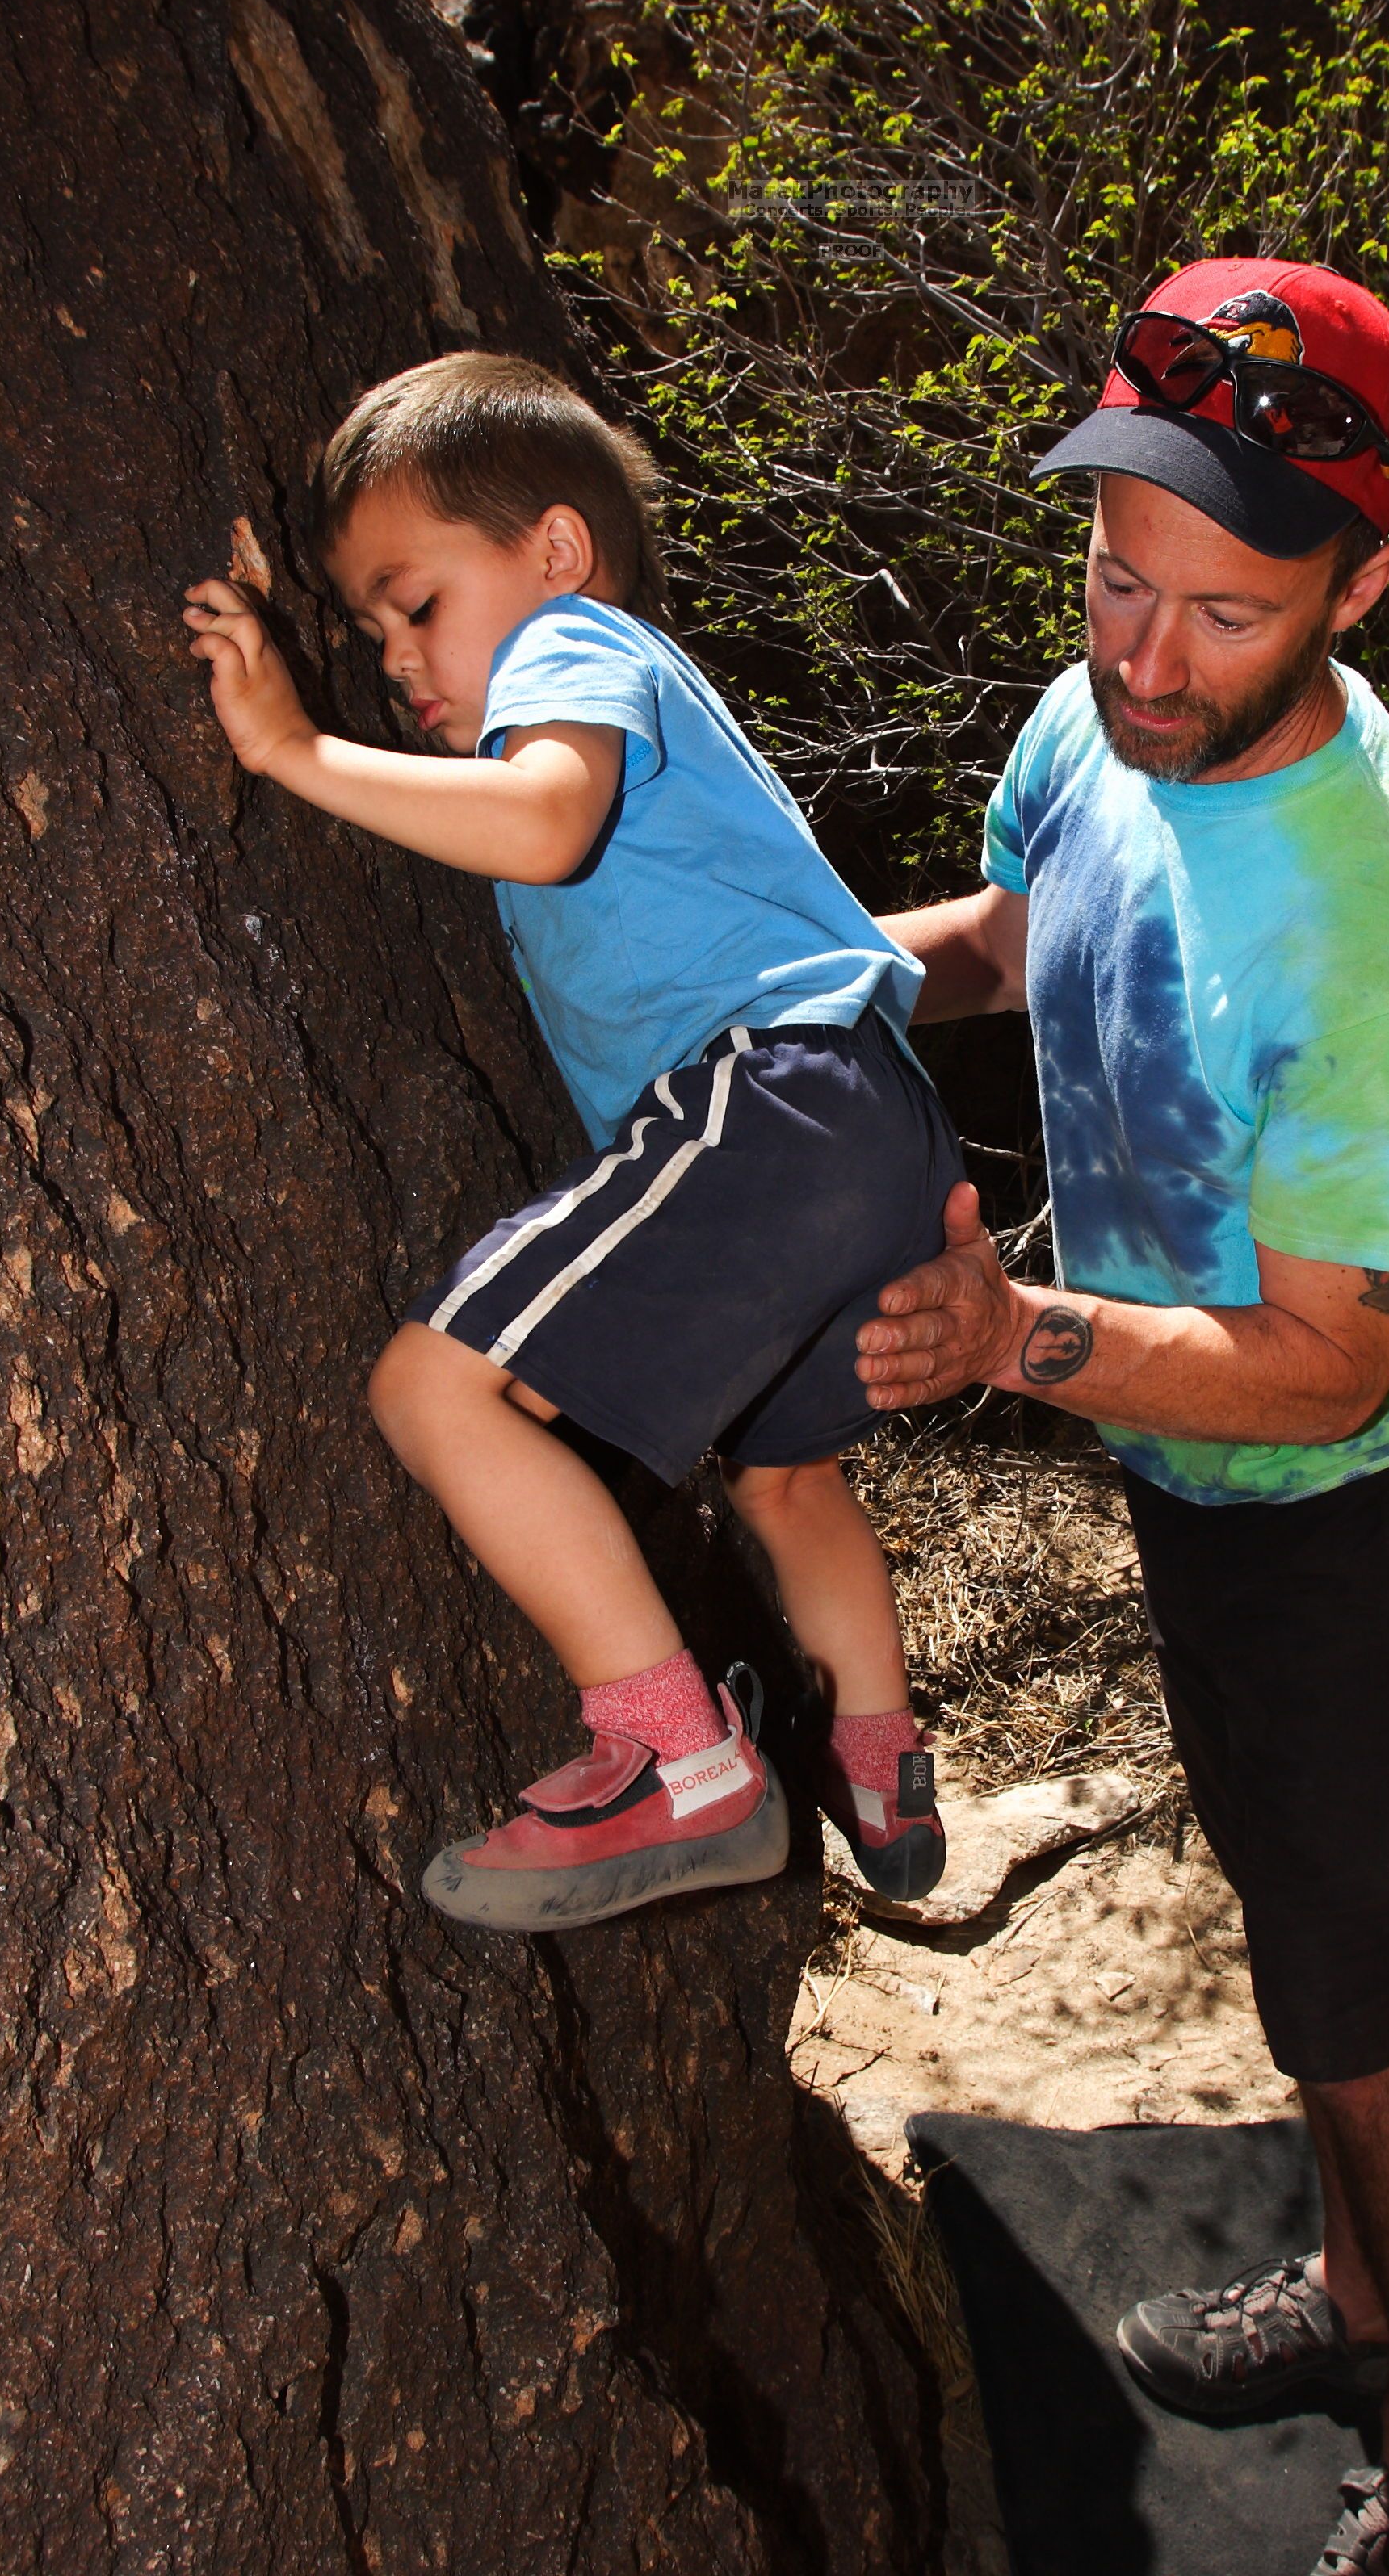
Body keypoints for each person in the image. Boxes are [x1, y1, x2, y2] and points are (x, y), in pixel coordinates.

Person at [853, 260, 1389, 2576]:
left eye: (1225, 614)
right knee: (1297, 1935)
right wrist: (847, 976)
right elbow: (1036, 921)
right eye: (1118, 579)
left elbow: (1331, 1360)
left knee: (1368, 2015)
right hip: (1192, 1463)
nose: (1144, 660)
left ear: (1367, 585)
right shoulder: (1104, 718)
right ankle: (1356, 2290)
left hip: (1356, 1510)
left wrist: (1005, 1336)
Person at [183, 352, 958, 1925]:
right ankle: (884, 1781)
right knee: (787, 1481)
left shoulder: (576, 646)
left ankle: (677, 1768)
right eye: (372, 632)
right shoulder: (622, 688)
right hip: (861, 1119)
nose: (400, 659)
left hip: (774, 1097)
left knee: (438, 1388)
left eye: (416, 604)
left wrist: (290, 746)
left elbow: (540, 818)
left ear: (549, 550)